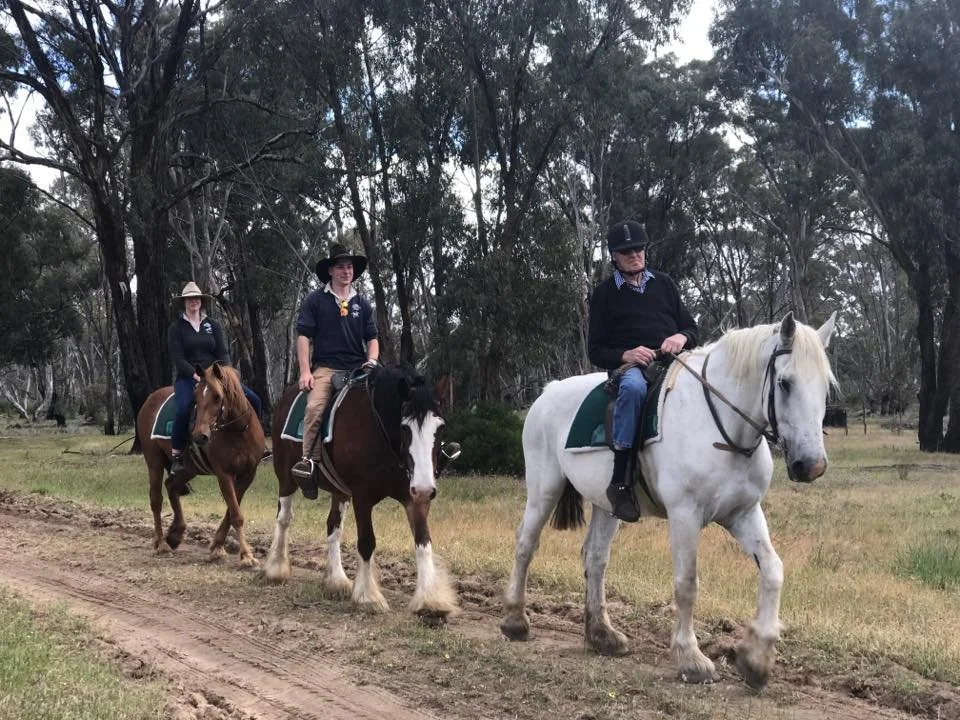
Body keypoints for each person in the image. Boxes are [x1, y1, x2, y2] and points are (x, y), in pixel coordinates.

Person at [588, 221, 698, 522]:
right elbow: (595, 351)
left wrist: (681, 337)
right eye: (626, 252)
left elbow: (691, 327)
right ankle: (621, 481)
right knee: (634, 389)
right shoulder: (604, 295)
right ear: (615, 257)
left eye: (638, 248)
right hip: (631, 368)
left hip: (673, 361)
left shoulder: (664, 284)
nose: (634, 255)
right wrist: (627, 354)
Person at [291, 243, 380, 499]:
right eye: (340, 267)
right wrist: (305, 371)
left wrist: (372, 361)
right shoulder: (315, 300)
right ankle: (308, 463)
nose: (346, 271)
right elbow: (304, 337)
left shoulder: (362, 303)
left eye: (349, 267)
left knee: (391, 395)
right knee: (314, 408)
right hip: (327, 369)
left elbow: (372, 338)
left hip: (359, 368)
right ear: (330, 271)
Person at [167, 282, 263, 477]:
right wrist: (197, 376)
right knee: (184, 407)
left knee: (254, 399)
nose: (194, 301)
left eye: (196, 298)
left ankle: (256, 443)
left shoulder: (213, 325)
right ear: (184, 302)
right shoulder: (176, 328)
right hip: (189, 378)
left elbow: (223, 352)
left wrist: (226, 375)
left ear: (201, 301)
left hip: (216, 378)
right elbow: (178, 359)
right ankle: (177, 455)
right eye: (189, 299)